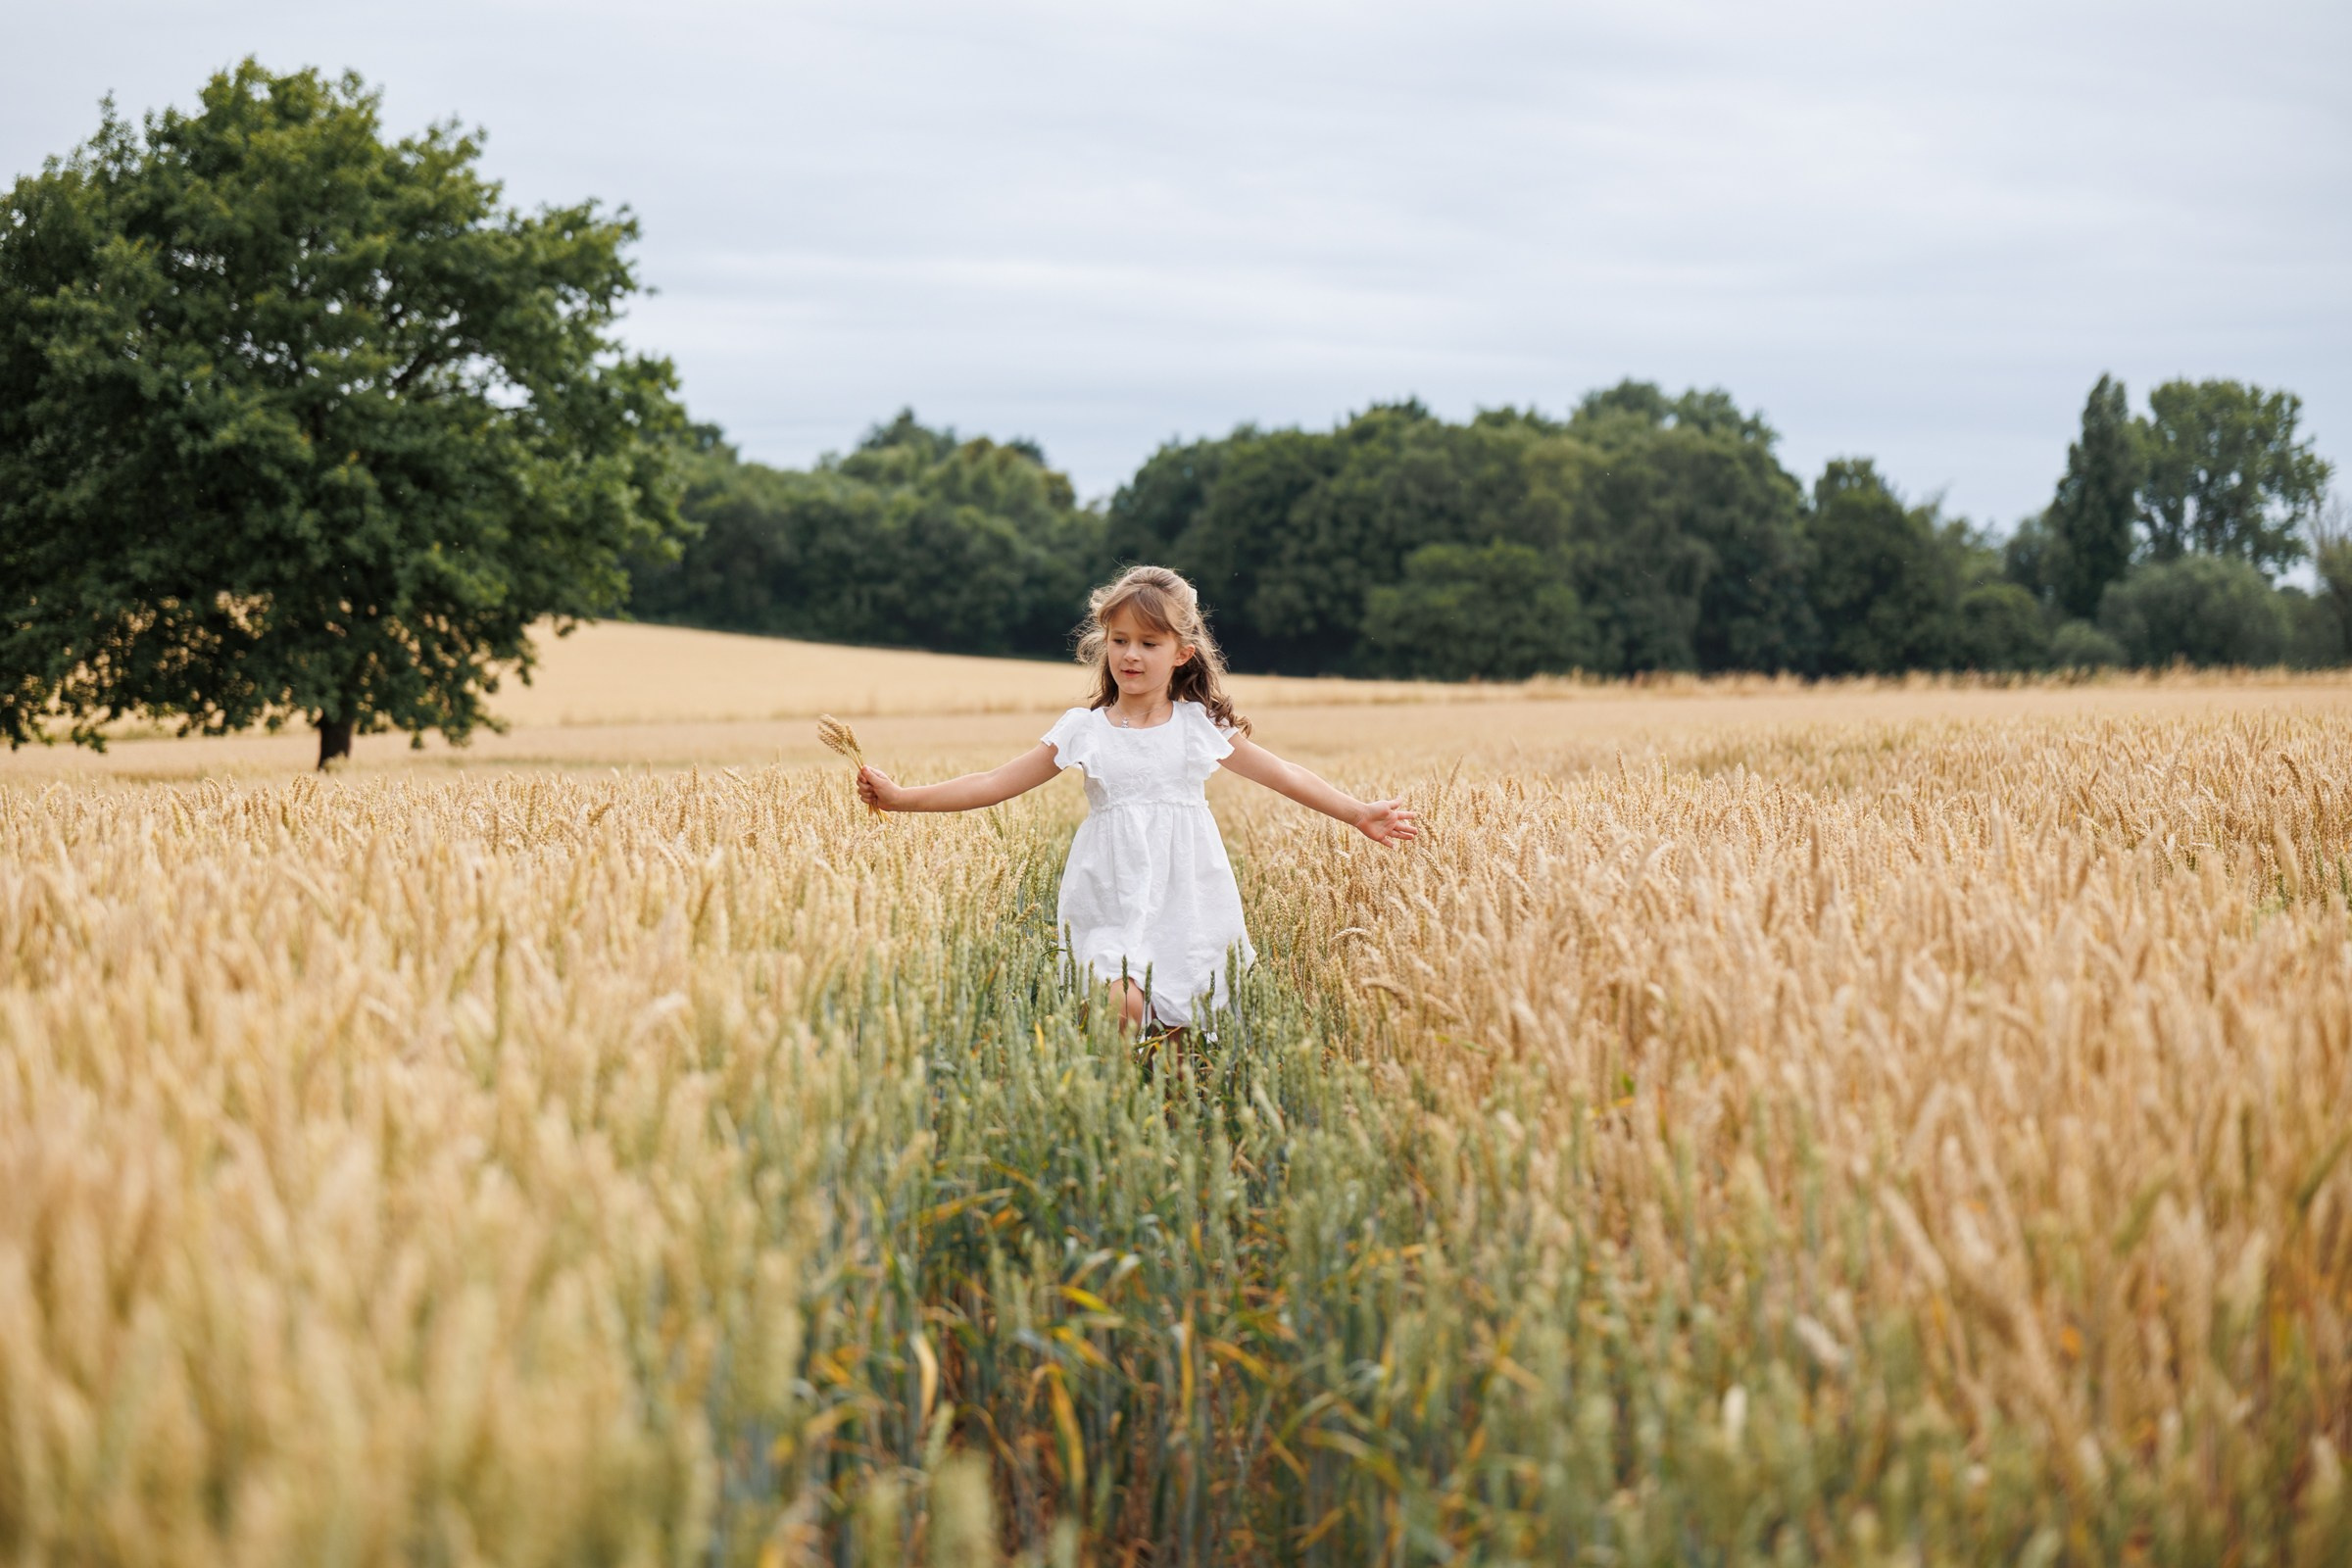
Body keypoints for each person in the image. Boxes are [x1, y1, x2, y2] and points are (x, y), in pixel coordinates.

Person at [856, 564, 1419, 1032]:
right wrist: (902, 798)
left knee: (1179, 1037)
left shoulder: (1200, 725)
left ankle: (1170, 1138)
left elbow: (1285, 776)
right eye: (1119, 641)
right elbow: (991, 784)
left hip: (1189, 902)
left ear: (1181, 653)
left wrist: (1357, 812)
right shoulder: (1085, 729)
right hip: (1110, 898)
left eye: (1149, 643)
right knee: (1121, 1006)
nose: (1130, 655)